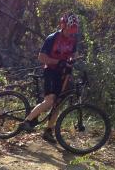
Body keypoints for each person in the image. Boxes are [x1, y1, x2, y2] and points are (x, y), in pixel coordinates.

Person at [20, 13, 79, 143]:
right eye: (70, 29)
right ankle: (27, 121)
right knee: (50, 100)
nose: (71, 32)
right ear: (63, 26)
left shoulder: (73, 39)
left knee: (57, 104)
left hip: (64, 73)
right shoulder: (52, 38)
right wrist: (58, 62)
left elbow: (73, 53)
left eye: (74, 30)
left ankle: (48, 131)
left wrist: (71, 60)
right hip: (51, 71)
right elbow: (41, 57)